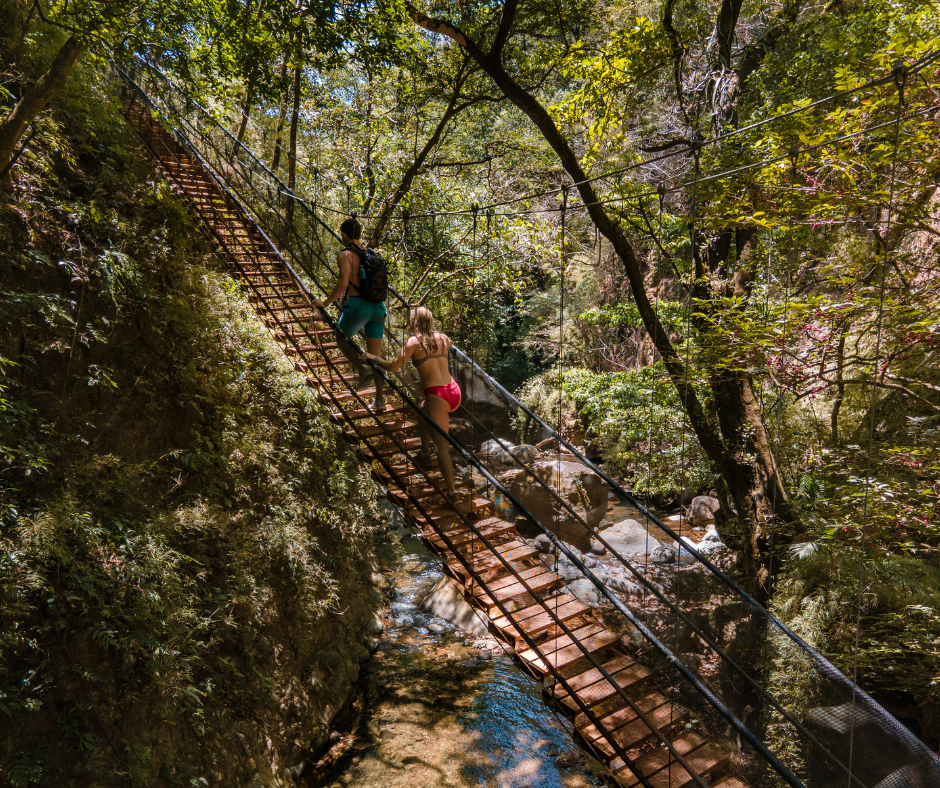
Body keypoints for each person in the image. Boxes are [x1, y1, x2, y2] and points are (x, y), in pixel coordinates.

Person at [364, 307, 464, 500]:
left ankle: (453, 492)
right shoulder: (443, 337)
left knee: (442, 447)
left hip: (438, 395)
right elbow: (448, 345)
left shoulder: (413, 341)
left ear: (414, 322)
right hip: (453, 390)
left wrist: (374, 358)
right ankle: (424, 455)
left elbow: (393, 367)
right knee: (422, 409)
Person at [312, 217, 386, 410]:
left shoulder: (344, 255)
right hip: (378, 308)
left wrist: (326, 303)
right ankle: (380, 401)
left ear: (344, 235)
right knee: (375, 357)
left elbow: (343, 284)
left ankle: (362, 371)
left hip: (358, 306)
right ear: (359, 235)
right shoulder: (371, 254)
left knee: (340, 336)